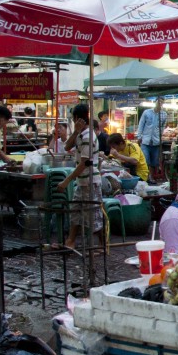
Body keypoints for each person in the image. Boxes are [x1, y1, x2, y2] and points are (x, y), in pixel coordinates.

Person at [57, 104, 103, 249]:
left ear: (76, 118)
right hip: (81, 181)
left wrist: (66, 181)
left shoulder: (89, 136)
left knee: (93, 215)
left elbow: (84, 163)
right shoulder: (80, 134)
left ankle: (103, 245)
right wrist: (75, 132)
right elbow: (66, 147)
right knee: (76, 212)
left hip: (90, 180)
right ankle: (70, 241)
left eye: (72, 118)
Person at [137, 97, 165, 181]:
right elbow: (141, 124)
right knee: (146, 160)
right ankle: (146, 176)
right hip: (145, 141)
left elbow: (162, 127)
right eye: (158, 102)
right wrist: (139, 136)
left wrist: (160, 137)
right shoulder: (147, 112)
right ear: (155, 102)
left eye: (161, 102)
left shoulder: (164, 114)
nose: (159, 103)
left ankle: (151, 177)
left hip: (156, 142)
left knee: (154, 162)